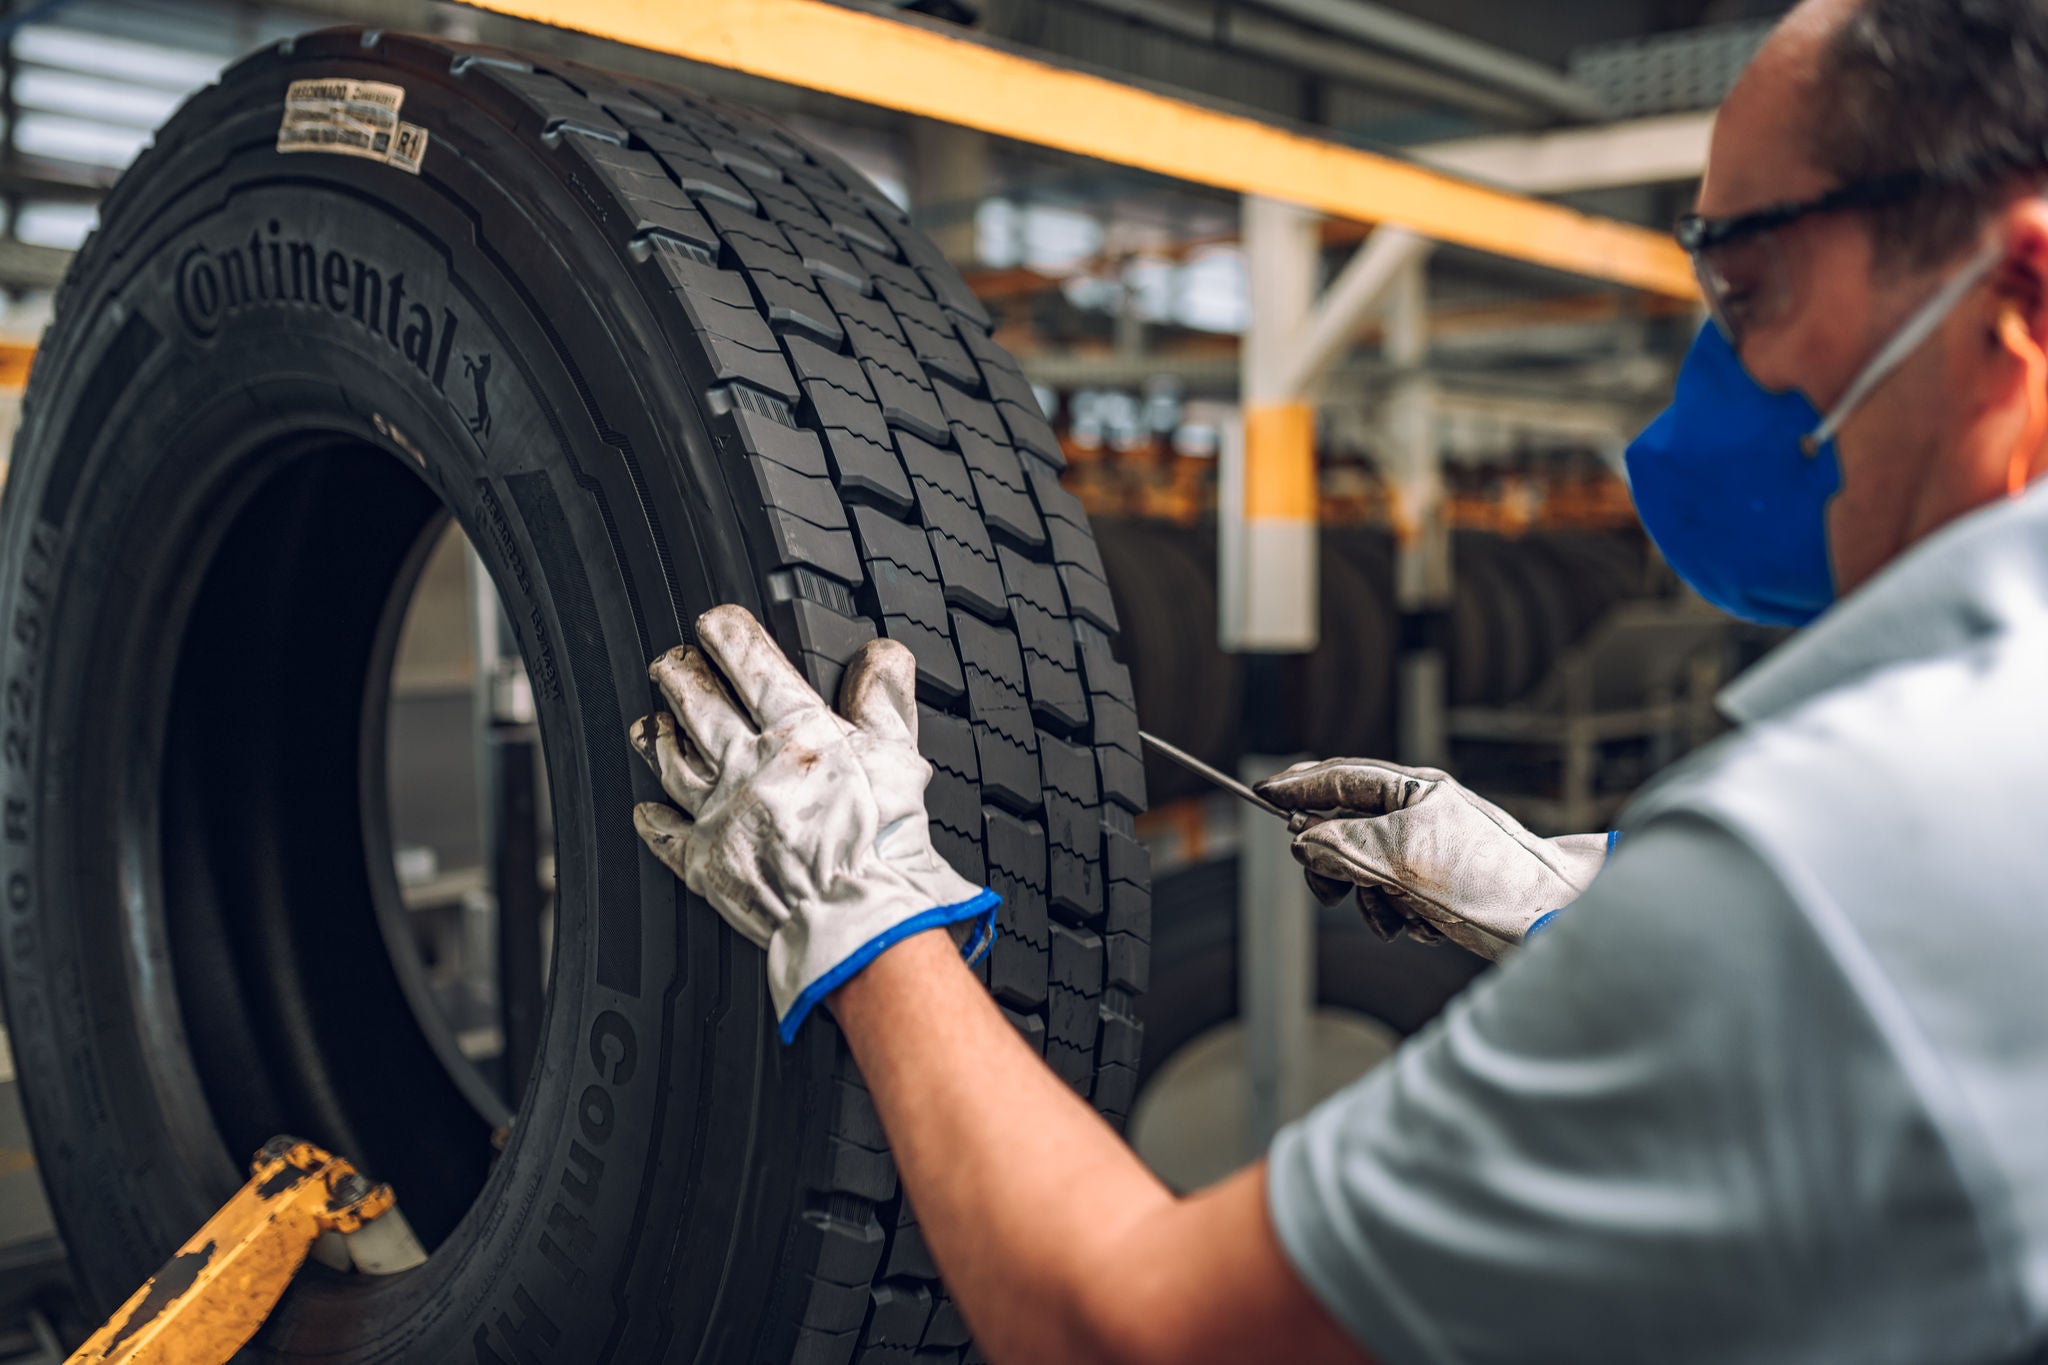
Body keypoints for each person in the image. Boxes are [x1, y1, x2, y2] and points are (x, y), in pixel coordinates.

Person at [628, 0, 2048, 1359]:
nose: (1716, 364)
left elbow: (1132, 1330)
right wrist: (1585, 906)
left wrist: (865, 918)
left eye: (1748, 286)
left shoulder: (1831, 852)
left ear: (2022, 291)